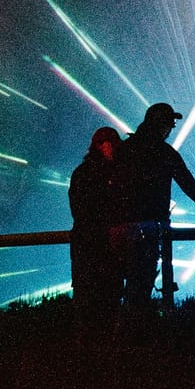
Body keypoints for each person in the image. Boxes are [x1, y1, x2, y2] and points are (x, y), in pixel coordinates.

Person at [109, 102, 195, 337]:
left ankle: (110, 340)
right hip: (147, 228)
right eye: (169, 125)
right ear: (161, 126)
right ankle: (132, 342)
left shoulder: (125, 149)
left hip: (118, 228)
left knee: (117, 286)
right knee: (140, 285)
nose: (171, 130)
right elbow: (189, 185)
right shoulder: (163, 153)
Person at [67, 126, 123, 341]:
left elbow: (78, 211)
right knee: (107, 296)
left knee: (86, 299)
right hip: (102, 245)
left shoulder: (81, 173)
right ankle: (103, 348)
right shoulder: (111, 173)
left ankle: (86, 350)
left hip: (84, 245)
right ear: (101, 145)